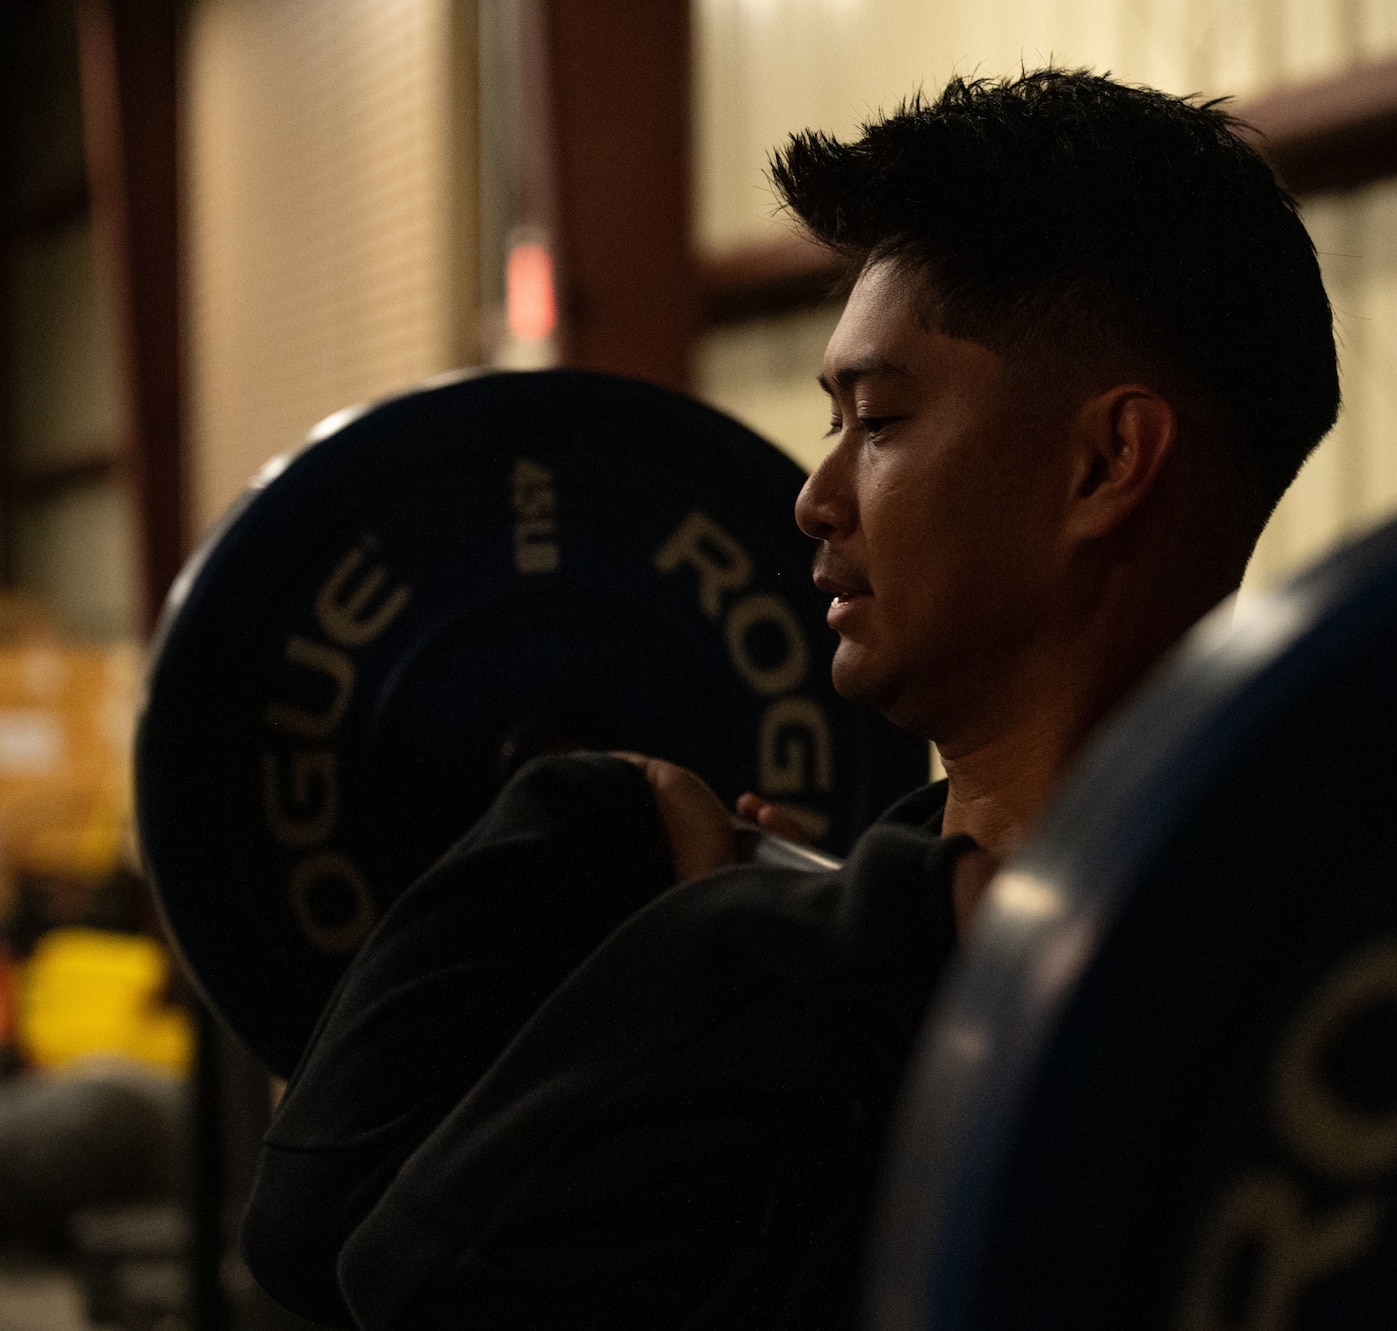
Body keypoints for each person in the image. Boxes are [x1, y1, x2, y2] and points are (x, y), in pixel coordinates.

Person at [242, 68, 1339, 1329]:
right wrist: (582, 851)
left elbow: (415, 1283)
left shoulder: (1231, 995)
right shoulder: (784, 942)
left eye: (876, 419)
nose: (814, 498)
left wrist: (748, 961)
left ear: (1105, 461)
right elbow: (312, 1234)